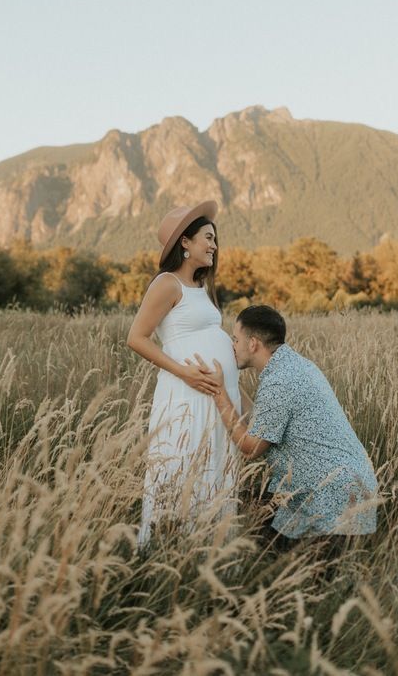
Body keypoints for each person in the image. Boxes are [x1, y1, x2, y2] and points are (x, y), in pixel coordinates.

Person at [190, 305, 378, 550]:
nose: (232, 346)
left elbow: (250, 448)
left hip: (333, 499)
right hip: (335, 487)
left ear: (254, 343)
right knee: (262, 543)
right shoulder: (293, 366)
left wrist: (218, 392)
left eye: (235, 339)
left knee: (300, 577)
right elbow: (263, 417)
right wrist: (230, 387)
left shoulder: (280, 380)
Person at [126, 201, 241, 547]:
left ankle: (210, 548)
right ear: (185, 243)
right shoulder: (166, 283)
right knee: (183, 465)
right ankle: (171, 548)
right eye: (208, 237)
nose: (214, 245)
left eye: (215, 239)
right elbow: (136, 337)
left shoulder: (202, 289)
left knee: (215, 465)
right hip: (186, 395)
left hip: (214, 398)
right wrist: (185, 374)